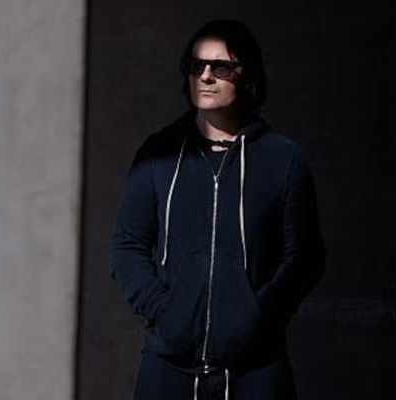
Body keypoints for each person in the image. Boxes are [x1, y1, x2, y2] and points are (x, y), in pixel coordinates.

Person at [108, 19, 327, 400]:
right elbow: (126, 247)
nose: (206, 76)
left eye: (222, 67)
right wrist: (165, 312)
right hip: (168, 370)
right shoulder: (158, 155)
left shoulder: (283, 159)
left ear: (248, 76)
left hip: (256, 372)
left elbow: (305, 258)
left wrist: (257, 316)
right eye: (197, 66)